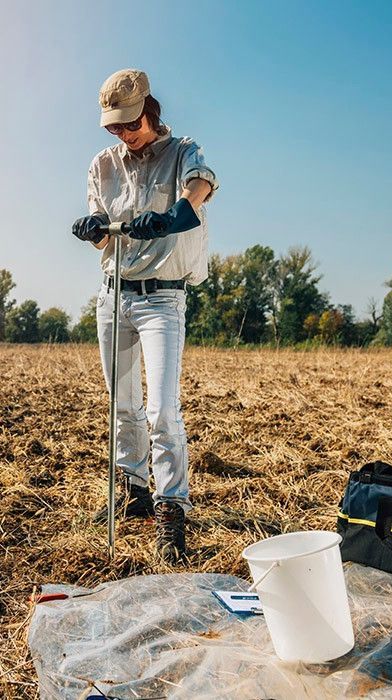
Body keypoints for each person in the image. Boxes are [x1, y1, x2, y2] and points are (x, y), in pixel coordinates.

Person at [72, 69, 219, 563]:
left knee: (160, 409)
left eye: (129, 124)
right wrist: (93, 230)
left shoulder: (183, 151)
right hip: (114, 295)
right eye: (113, 127)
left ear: (149, 111)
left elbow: (199, 187)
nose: (122, 134)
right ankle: (133, 490)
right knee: (123, 405)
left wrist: (175, 213)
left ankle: (171, 507)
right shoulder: (102, 165)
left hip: (162, 299)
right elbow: (106, 240)